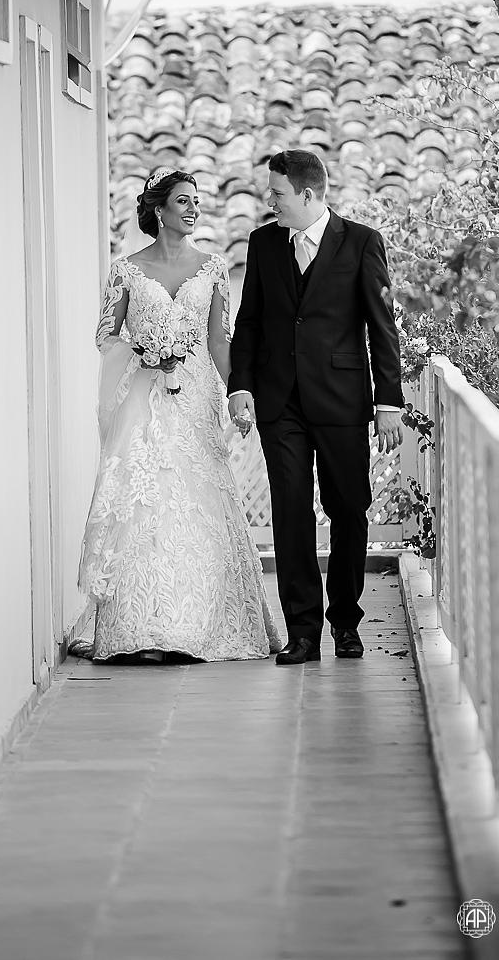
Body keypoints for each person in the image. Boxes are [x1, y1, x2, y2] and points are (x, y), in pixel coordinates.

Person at [78, 167, 281, 664]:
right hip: (143, 401)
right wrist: (144, 352)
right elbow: (106, 336)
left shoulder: (212, 268)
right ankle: (142, 626)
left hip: (194, 401)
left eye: (196, 201)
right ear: (159, 209)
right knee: (145, 503)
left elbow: (219, 341)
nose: (194, 209)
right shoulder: (126, 270)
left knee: (198, 502)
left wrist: (238, 393)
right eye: (184, 201)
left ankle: (196, 625)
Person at [228, 149, 404, 665]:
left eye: (277, 193)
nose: (270, 201)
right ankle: (302, 631)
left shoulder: (362, 242)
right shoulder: (263, 243)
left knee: (348, 506)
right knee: (290, 511)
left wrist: (388, 401)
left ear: (307, 194)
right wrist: (240, 386)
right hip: (279, 400)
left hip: (341, 399)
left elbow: (382, 326)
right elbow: (250, 320)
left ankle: (345, 621)